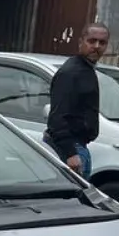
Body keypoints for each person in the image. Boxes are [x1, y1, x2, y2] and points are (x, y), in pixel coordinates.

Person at [44, 22, 109, 176]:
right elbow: (57, 118)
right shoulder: (71, 73)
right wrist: (70, 153)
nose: (97, 46)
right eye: (92, 41)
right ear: (81, 42)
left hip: (78, 146)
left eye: (102, 42)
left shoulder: (86, 70)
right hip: (68, 149)